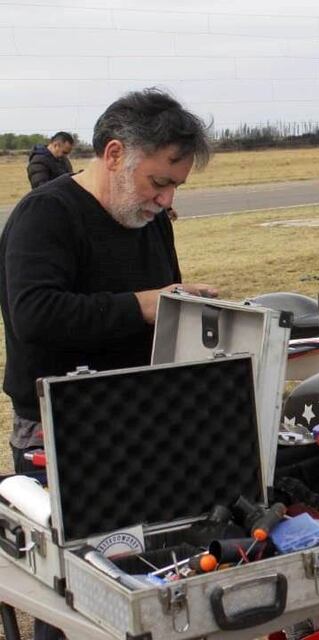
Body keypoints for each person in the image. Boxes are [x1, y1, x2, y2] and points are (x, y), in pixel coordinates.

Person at [0, 88, 215, 639]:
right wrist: (143, 305)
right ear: (115, 154)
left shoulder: (150, 220)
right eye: (159, 182)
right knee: (73, 595)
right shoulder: (46, 214)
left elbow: (159, 304)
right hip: (61, 429)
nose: (166, 199)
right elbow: (35, 315)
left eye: (175, 186)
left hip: (142, 419)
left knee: (142, 577)